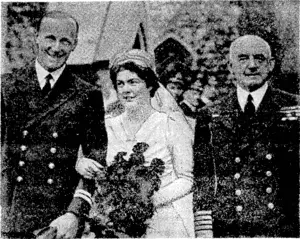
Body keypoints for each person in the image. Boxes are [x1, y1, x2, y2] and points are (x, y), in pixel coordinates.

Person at [1, 11, 107, 238]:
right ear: (37, 37)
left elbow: (96, 159)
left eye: (65, 41)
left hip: (59, 221)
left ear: (74, 45)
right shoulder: (7, 88)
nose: (56, 48)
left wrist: (75, 214)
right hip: (12, 215)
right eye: (50, 38)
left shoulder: (87, 95)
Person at [76, 49, 195, 237]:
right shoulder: (107, 126)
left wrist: (146, 200)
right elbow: (88, 161)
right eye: (120, 84)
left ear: (149, 85)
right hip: (113, 222)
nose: (126, 89)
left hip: (162, 222)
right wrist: (82, 164)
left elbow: (186, 180)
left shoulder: (170, 125)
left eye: (133, 82)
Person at [193, 34, 299, 237]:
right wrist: (204, 230)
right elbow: (203, 177)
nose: (252, 66)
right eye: (243, 59)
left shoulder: (294, 108)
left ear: (271, 64)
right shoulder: (210, 114)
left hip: (282, 228)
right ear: (231, 66)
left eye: (259, 58)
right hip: (231, 228)